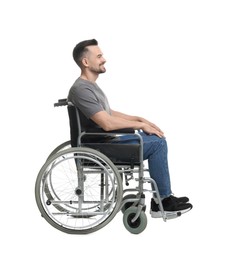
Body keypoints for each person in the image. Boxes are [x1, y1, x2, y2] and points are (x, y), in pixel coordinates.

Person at [68, 39, 193, 218]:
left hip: (103, 142)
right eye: (99, 56)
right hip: (100, 147)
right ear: (86, 62)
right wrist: (140, 125)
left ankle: (163, 198)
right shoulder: (81, 89)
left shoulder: (89, 87)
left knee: (153, 137)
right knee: (158, 143)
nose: (104, 59)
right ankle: (162, 202)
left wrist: (139, 119)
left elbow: (108, 113)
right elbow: (107, 123)